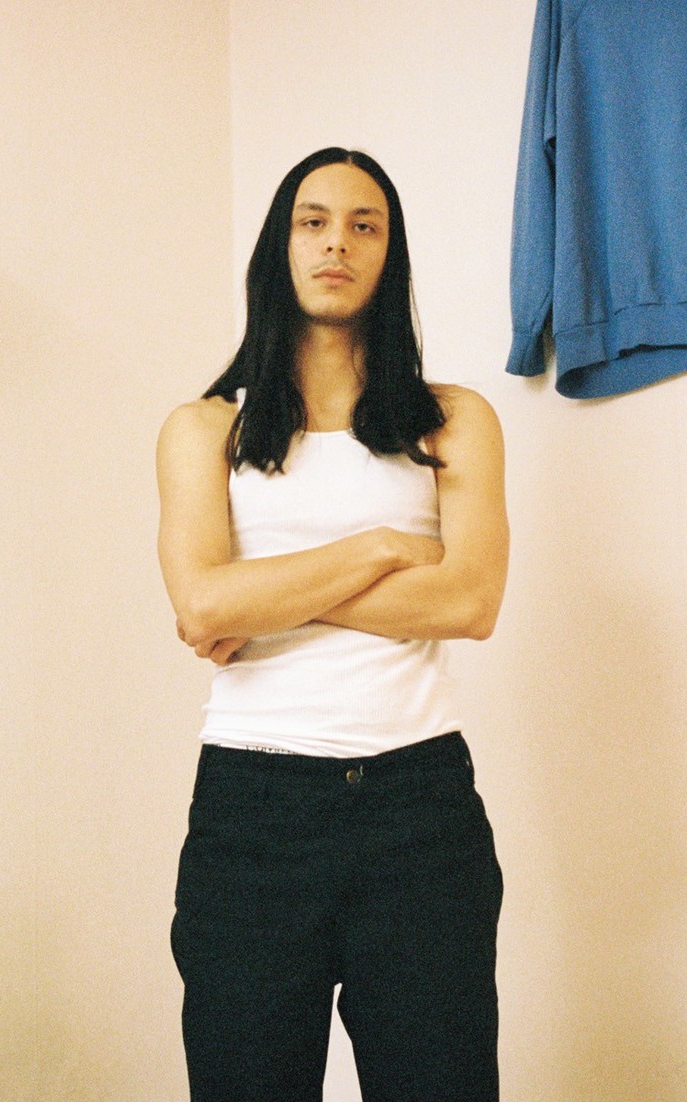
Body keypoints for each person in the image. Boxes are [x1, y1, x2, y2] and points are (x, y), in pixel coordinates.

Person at [155, 146, 509, 1102]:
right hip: (251, 813)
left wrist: (259, 594)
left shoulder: (453, 421)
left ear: (391, 255)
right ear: (281, 244)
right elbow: (200, 606)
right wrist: (385, 547)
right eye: (313, 221)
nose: (337, 244)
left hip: (419, 811)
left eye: (365, 225)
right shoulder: (205, 430)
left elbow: (471, 602)